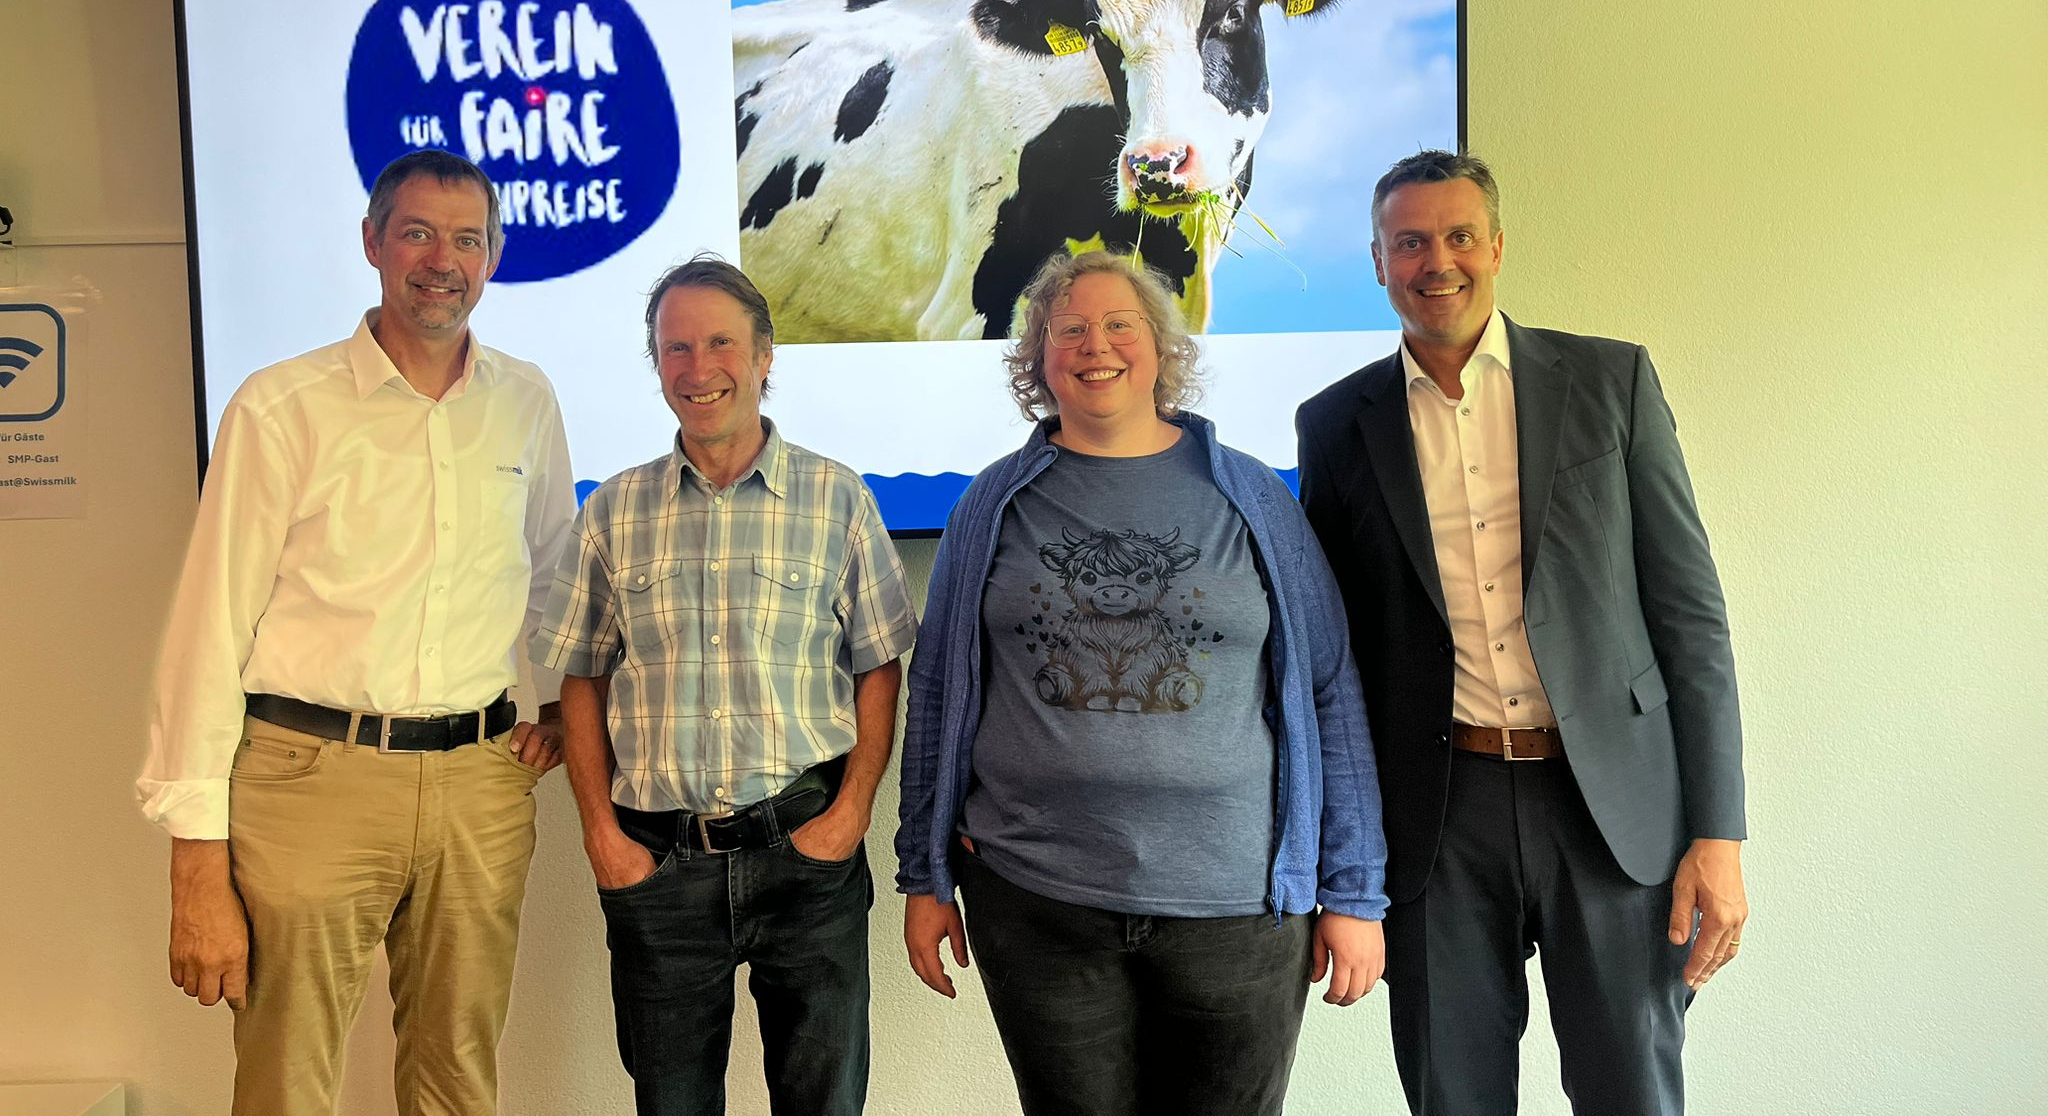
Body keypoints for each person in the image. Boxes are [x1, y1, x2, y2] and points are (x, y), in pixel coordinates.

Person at [1295, 150, 1749, 1116]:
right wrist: (1336, 860)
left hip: (1614, 816)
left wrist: (1720, 833)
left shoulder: (1608, 381)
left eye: (1459, 236)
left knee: (1632, 1092)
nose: (1437, 262)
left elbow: (1690, 618)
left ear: (1496, 247)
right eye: (1409, 242)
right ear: (1377, 263)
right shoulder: (1334, 425)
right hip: (1434, 817)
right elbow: (1329, 663)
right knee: (1454, 1096)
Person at [897, 249, 1389, 1116]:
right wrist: (924, 876)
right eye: (1069, 329)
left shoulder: (1254, 499)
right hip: (1036, 900)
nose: (1098, 346)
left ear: (1161, 347)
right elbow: (936, 694)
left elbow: (1329, 690)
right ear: (1038, 357)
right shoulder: (989, 504)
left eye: (1121, 324)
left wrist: (1353, 890)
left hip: (1237, 910)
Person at [138, 150, 575, 1115]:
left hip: (479, 783)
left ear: (495, 256)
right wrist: (195, 861)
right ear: (373, 243)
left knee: (457, 1074)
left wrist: (552, 708)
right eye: (417, 232)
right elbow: (209, 630)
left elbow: (551, 576)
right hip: (310, 781)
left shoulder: (525, 401)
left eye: (467, 239)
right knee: (287, 1079)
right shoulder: (280, 407)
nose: (441, 260)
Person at [532, 253, 918, 1116]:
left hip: (805, 855)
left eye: (720, 343)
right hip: (658, 867)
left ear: (766, 355)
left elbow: (879, 663)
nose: (698, 369)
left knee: (824, 1105)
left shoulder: (838, 498)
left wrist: (852, 812)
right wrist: (601, 833)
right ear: (657, 364)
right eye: (675, 348)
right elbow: (582, 677)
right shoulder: (614, 510)